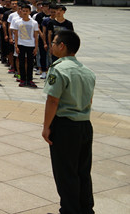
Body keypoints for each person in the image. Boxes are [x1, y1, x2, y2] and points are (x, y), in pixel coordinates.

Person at [43, 30, 96, 214]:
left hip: (65, 126)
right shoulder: (88, 72)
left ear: (62, 46)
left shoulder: (58, 69)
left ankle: (69, 210)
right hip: (85, 125)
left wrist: (46, 127)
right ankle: (86, 210)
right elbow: (89, 100)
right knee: (83, 171)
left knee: (66, 172)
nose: (51, 45)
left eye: (54, 42)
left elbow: (53, 100)